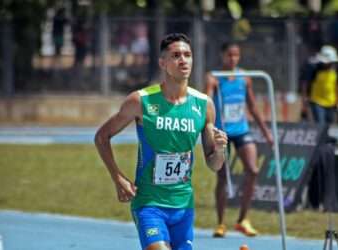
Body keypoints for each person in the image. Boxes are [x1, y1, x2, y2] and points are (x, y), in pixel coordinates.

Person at [95, 33, 228, 250]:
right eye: (176, 55)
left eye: (187, 55)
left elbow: (214, 164)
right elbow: (101, 137)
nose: (183, 60)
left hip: (183, 206)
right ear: (163, 63)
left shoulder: (204, 105)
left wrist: (221, 150)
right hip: (149, 204)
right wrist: (118, 178)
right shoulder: (140, 100)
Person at [205, 43, 273, 238]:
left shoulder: (245, 78)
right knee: (222, 177)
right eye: (229, 55)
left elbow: (252, 106)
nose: (233, 59)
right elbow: (206, 101)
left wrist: (266, 132)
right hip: (222, 132)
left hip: (241, 129)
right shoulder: (214, 77)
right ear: (222, 55)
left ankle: (243, 219)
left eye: (236, 55)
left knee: (253, 170)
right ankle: (220, 223)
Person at [301, 45, 338, 128]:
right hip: (317, 102)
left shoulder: (335, 70)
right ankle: (321, 141)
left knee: (329, 125)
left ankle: (326, 140)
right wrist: (304, 99)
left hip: (331, 102)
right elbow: (305, 84)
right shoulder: (314, 69)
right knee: (320, 124)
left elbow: (337, 86)